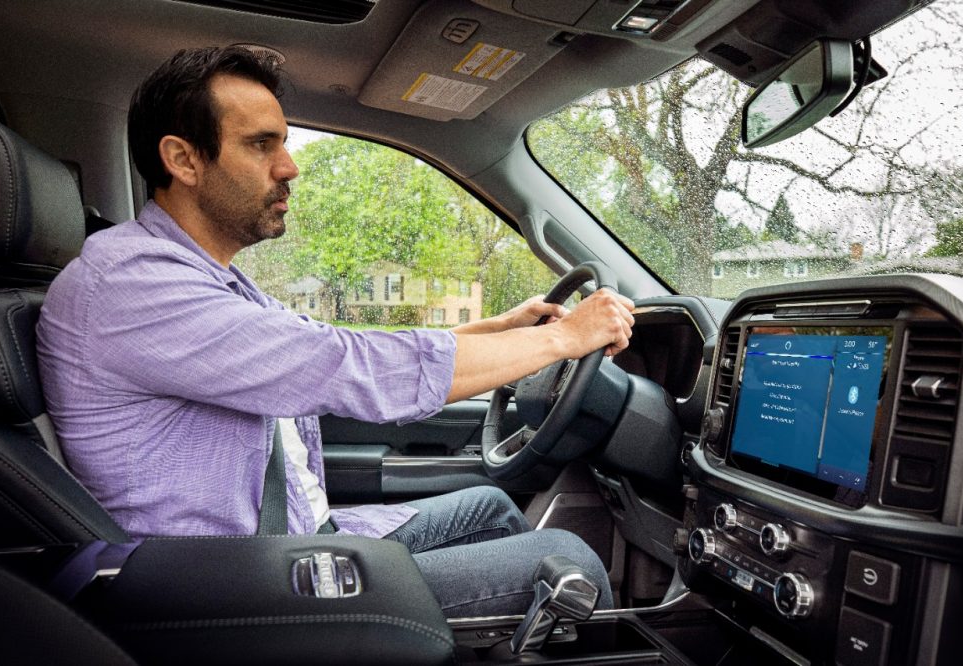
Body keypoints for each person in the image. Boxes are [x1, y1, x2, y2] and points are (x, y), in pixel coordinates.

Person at [36, 46, 636, 617]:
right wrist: (563, 340)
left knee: (490, 507)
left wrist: (499, 329)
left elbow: (314, 343)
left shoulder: (199, 277)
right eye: (260, 144)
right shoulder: (129, 284)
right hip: (229, 583)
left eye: (284, 144)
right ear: (184, 159)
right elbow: (336, 363)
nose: (289, 167)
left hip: (292, 536)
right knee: (570, 559)